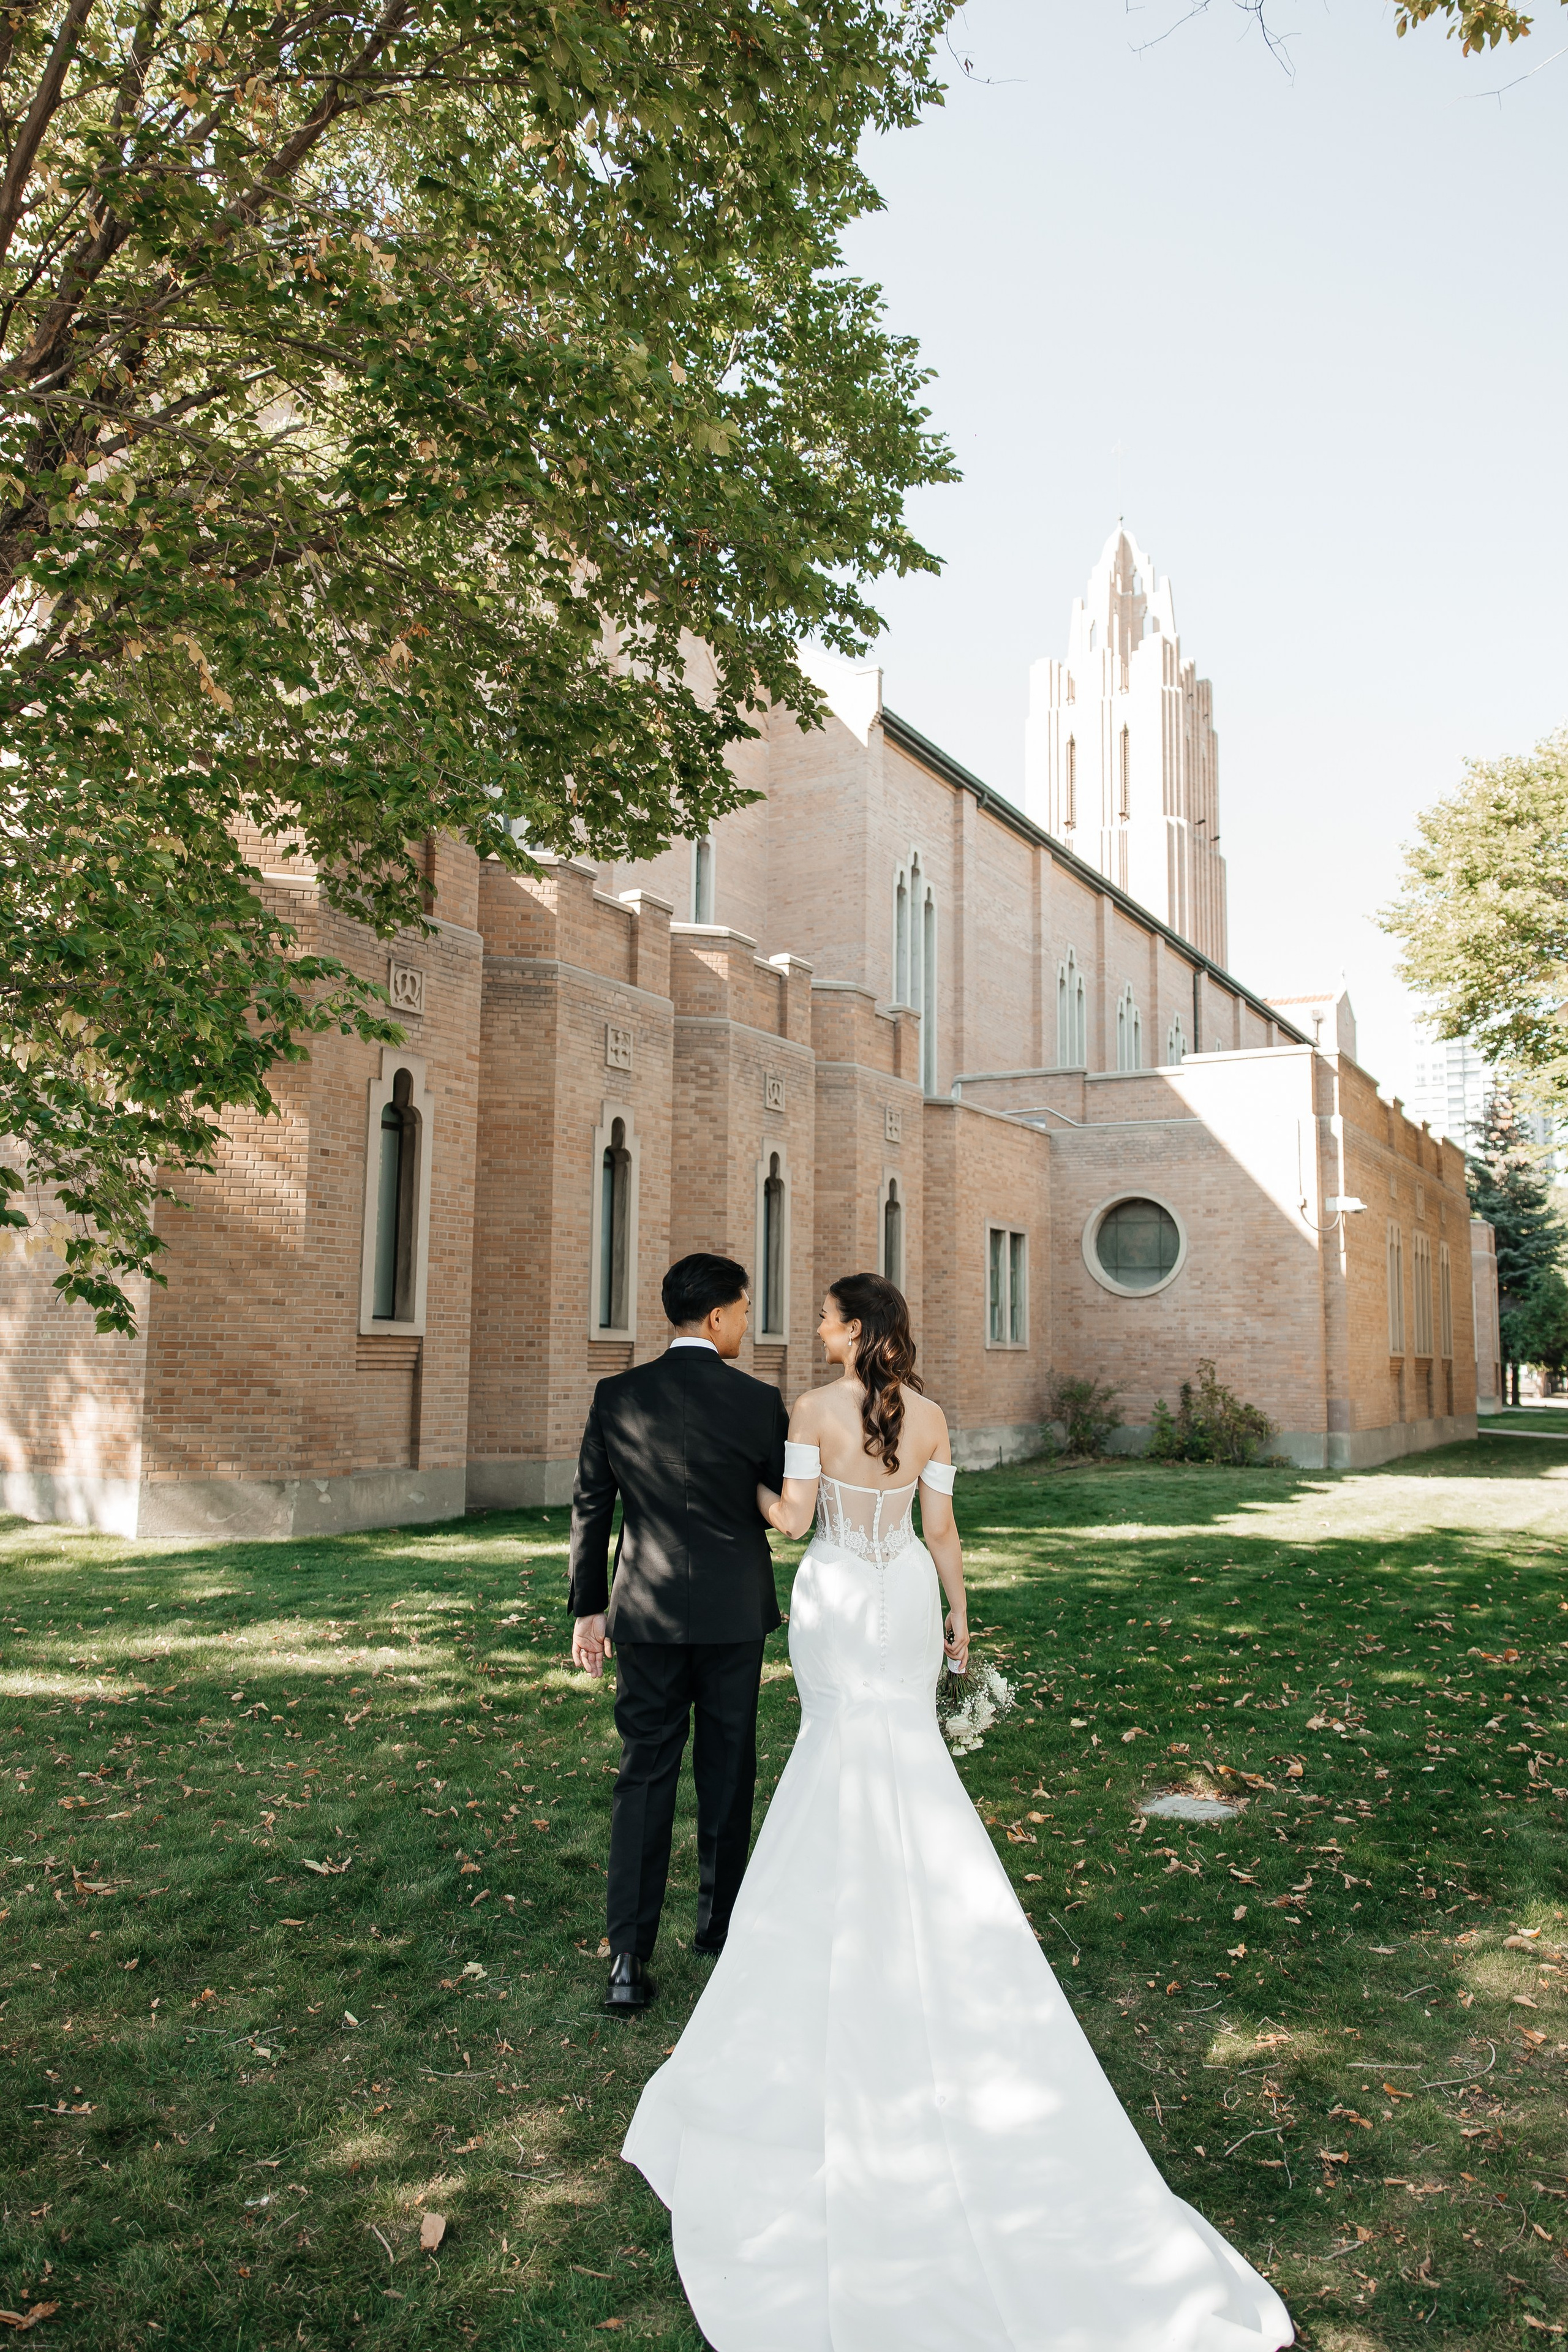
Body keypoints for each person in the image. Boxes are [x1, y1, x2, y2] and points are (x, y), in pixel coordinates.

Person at [622, 1273, 1294, 2352]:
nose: (824, 1331)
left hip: (837, 1599)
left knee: (835, 1751)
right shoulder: (932, 1415)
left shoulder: (808, 1411)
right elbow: (942, 1534)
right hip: (902, 1604)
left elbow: (796, 1524)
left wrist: (723, 1488)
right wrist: (962, 1625)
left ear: (852, 1333)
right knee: (908, 1755)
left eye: (833, 1319)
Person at [569, 1251, 790, 2017]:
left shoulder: (617, 1394)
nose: (745, 1326)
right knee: (727, 1770)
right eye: (743, 1311)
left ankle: (627, 1960)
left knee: (644, 1774)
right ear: (719, 1316)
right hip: (733, 1614)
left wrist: (588, 1608)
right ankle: (720, 1928)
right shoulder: (760, 1403)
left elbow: (592, 1506)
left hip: (646, 1613)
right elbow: (777, 1499)